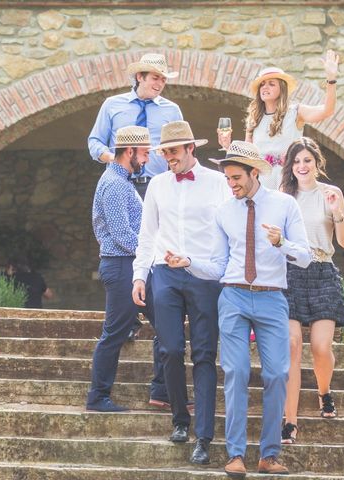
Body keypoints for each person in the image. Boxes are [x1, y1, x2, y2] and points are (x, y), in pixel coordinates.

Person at [164, 140, 311, 477]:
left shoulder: (285, 205)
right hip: (233, 297)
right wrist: (189, 262)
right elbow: (218, 265)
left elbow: (304, 256)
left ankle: (269, 455)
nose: (231, 185)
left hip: (272, 297)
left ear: (254, 173)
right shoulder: (224, 212)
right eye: (228, 179)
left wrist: (281, 243)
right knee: (236, 373)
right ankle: (235, 454)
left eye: (236, 178)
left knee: (276, 374)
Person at [131, 120, 230, 465]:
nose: (167, 157)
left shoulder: (218, 184)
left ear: (191, 149)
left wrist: (220, 270)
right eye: (164, 152)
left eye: (173, 151)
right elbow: (147, 234)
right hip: (166, 275)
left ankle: (203, 436)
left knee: (204, 356)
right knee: (170, 349)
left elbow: (228, 231)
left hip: (205, 276)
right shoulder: (158, 185)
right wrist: (139, 276)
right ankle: (179, 419)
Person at [88, 52, 184, 347]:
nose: (160, 84)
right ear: (139, 77)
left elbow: (178, 146)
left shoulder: (172, 109)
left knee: (155, 245)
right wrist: (116, 161)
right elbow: (94, 142)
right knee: (124, 244)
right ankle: (127, 317)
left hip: (157, 186)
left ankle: (157, 310)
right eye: (155, 78)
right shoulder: (112, 105)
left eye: (164, 79)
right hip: (122, 183)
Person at [278, 137, 344, 445]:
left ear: (316, 163)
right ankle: (289, 421)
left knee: (321, 347)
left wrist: (337, 212)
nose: (301, 166)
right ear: (290, 166)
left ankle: (324, 392)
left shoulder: (331, 194)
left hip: (322, 271)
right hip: (291, 273)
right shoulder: (284, 194)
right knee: (293, 345)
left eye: (307, 160)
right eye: (296, 161)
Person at [86, 125, 166, 412]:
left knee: (166, 327)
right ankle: (97, 397)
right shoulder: (115, 184)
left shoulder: (122, 181)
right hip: (122, 268)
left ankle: (162, 391)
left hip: (133, 267)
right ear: (129, 151)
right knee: (115, 334)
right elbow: (122, 235)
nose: (146, 159)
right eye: (144, 153)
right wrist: (155, 255)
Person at [218, 50, 339, 190]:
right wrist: (228, 146)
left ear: (282, 89)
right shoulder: (254, 119)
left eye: (271, 84)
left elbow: (327, 111)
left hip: (290, 179)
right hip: (262, 183)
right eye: (262, 84)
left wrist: (331, 79)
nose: (265, 87)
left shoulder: (295, 112)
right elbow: (247, 158)